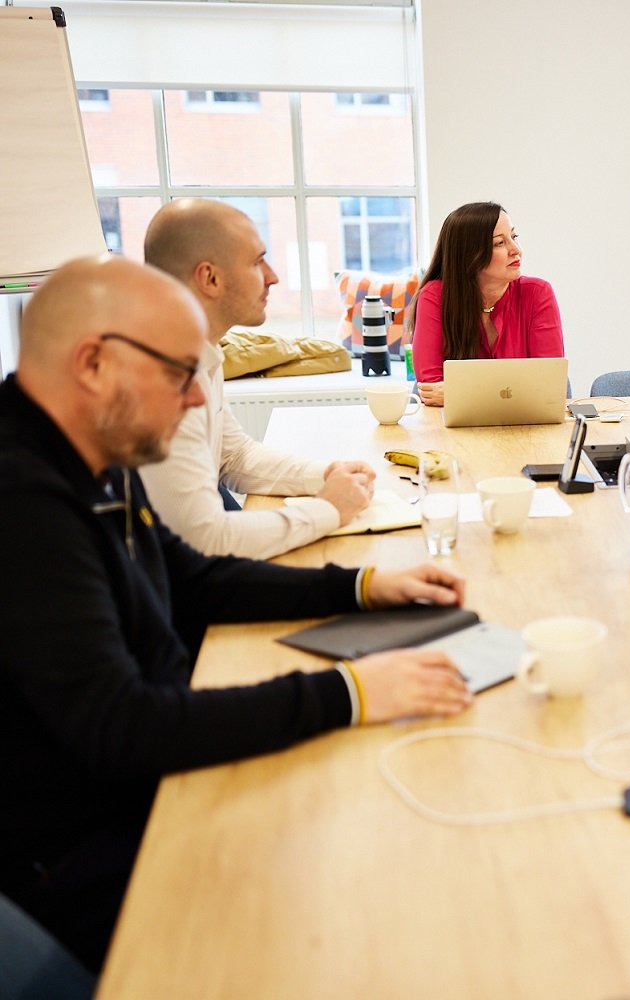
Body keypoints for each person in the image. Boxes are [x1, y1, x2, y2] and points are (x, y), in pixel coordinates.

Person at [0, 256, 475, 972]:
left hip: (154, 786)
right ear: (93, 365)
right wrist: (349, 692)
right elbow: (122, 727)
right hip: (94, 854)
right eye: (178, 373)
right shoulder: (22, 500)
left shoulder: (92, 449)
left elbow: (191, 580)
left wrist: (361, 587)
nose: (197, 400)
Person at [141, 198, 377, 560]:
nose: (273, 276)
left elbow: (233, 457)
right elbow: (203, 540)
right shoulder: (161, 382)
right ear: (210, 278)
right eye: (257, 261)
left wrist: (325, 474)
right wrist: (328, 510)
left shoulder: (202, 351)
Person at [410, 201, 564, 407]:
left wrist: (458, 394)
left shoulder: (538, 293)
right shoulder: (435, 296)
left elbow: (549, 385)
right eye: (500, 243)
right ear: (469, 255)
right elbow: (431, 388)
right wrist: (514, 393)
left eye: (514, 237)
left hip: (524, 428)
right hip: (454, 434)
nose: (516, 250)